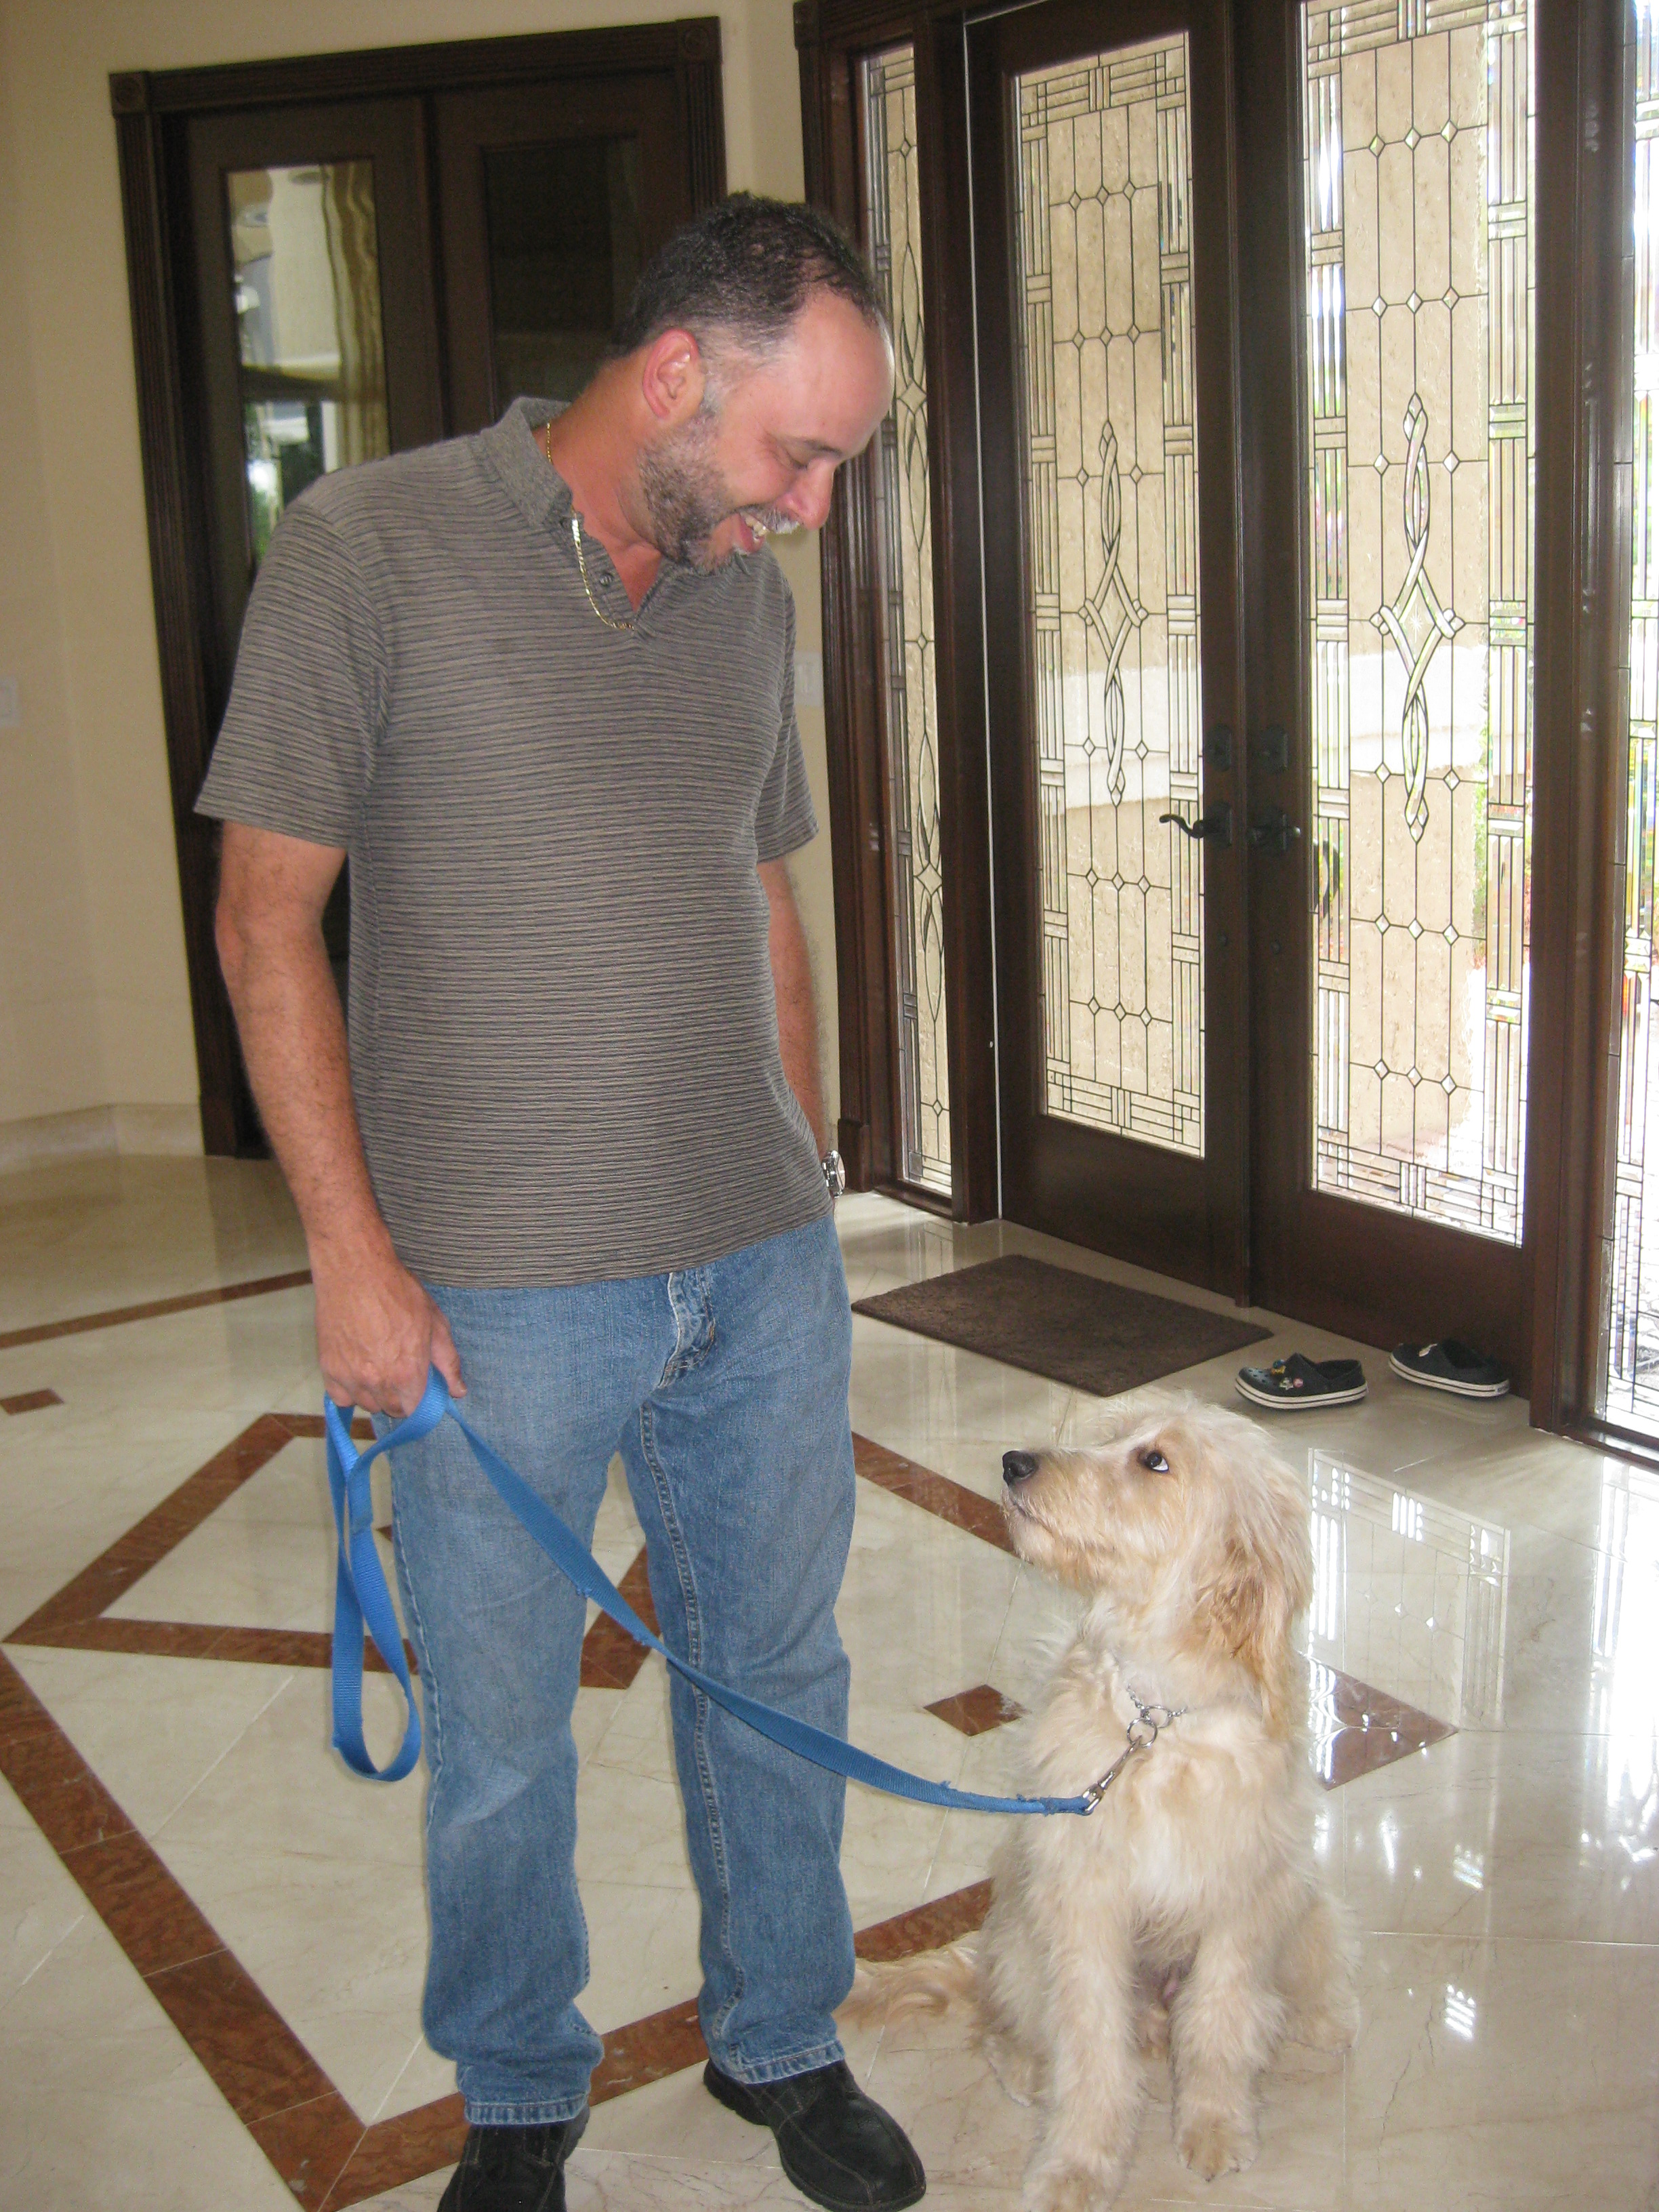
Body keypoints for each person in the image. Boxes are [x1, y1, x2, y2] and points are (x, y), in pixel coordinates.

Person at [200, 195, 921, 2212]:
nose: (812, 508)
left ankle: (782, 2035)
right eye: (799, 454)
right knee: (505, 1729)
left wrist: (809, 1170)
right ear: (676, 375)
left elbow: (759, 884)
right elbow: (265, 919)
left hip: (757, 1266)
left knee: (778, 1673)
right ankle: (520, 2083)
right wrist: (352, 1261)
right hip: (499, 1295)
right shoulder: (367, 545)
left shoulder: (743, 598)